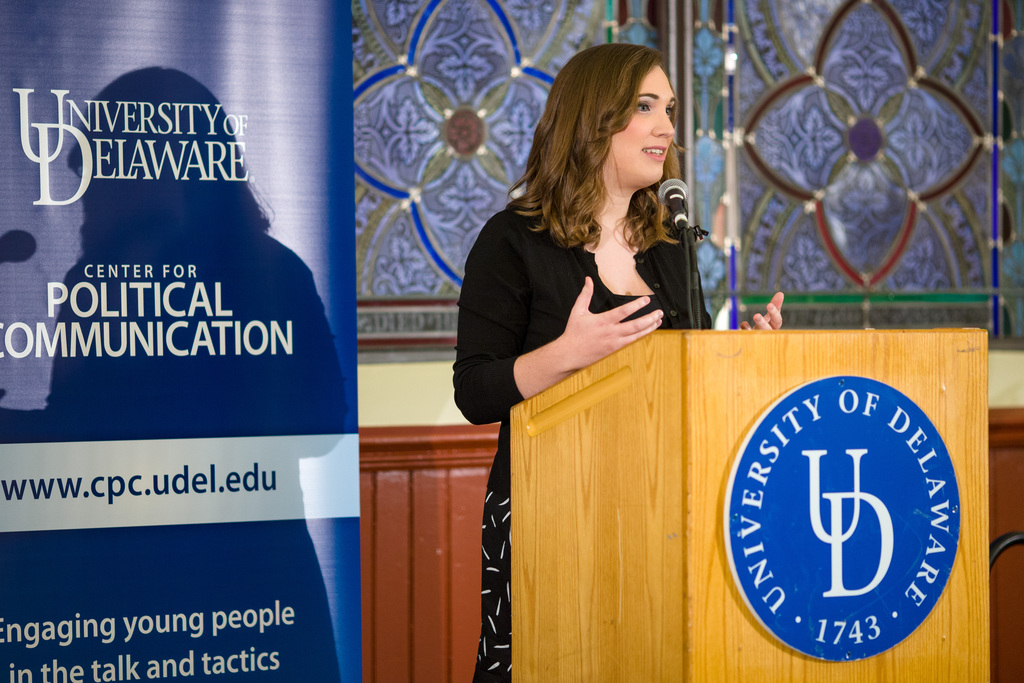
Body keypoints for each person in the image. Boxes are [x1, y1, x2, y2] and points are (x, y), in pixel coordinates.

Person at [452, 43, 784, 682]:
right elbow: (476, 390)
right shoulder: (513, 240)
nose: (666, 127)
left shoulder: (669, 244)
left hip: (660, 515)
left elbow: (683, 379)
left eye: (670, 109)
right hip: (552, 515)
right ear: (593, 118)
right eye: (644, 107)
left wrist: (744, 361)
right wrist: (565, 356)